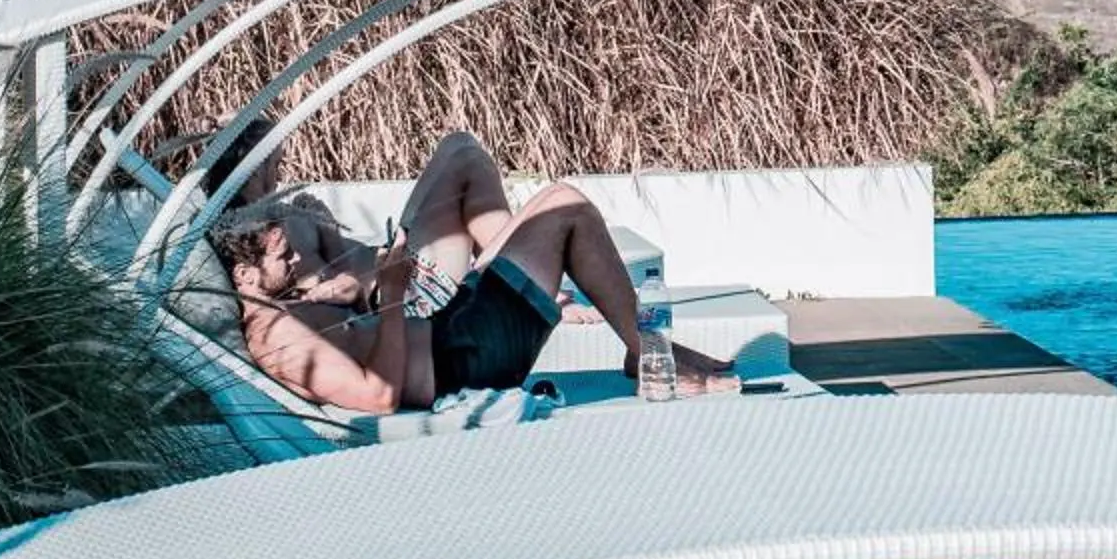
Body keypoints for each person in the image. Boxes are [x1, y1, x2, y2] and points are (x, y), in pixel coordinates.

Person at [203, 127, 733, 412]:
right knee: (565, 204)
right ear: (246, 277)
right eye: (283, 258)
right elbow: (379, 396)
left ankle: (644, 350)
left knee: (543, 194)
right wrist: (387, 293)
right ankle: (646, 354)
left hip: (453, 330)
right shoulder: (277, 339)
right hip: (468, 357)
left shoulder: (281, 309)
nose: (296, 262)